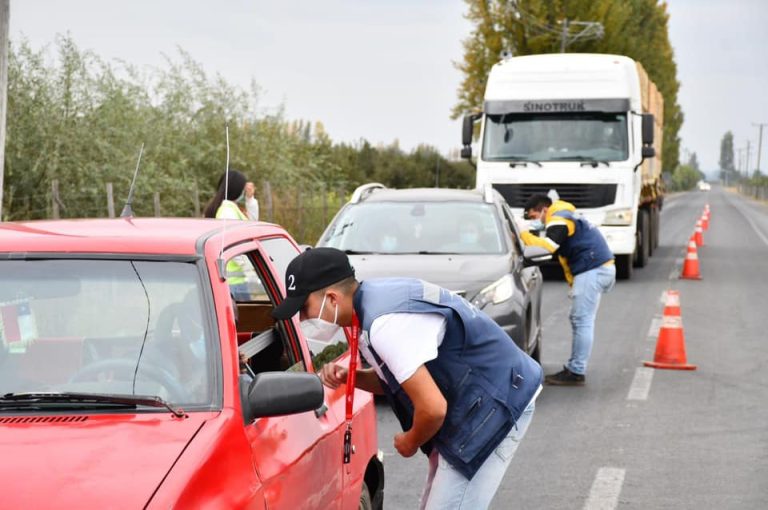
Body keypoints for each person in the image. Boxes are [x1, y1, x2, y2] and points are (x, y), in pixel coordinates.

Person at [271, 247, 543, 510]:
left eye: (304, 308)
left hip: (498, 401)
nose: (302, 318)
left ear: (332, 298)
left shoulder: (384, 324)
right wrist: (349, 376)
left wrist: (410, 440)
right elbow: (399, 379)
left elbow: (433, 409)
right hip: (474, 399)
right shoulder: (367, 308)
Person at [520, 194, 616, 386]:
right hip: (596, 269)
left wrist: (523, 234)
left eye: (533, 217)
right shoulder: (564, 215)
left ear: (544, 210)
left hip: (592, 270)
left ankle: (576, 371)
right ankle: (576, 367)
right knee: (580, 319)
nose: (533, 222)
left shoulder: (558, 217)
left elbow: (549, 247)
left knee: (582, 321)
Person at [203, 170, 258, 300]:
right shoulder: (227, 212)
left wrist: (250, 200)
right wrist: (247, 267)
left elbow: (254, 227)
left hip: (234, 282)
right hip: (233, 283)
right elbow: (231, 243)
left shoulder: (229, 209)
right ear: (237, 189)